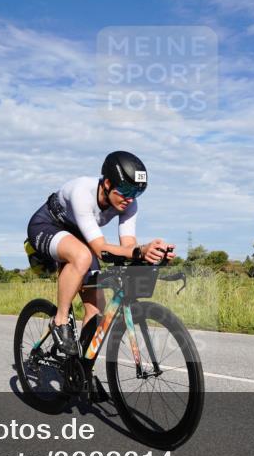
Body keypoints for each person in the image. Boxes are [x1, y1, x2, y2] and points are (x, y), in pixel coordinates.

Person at [24, 151, 174, 355]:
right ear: (107, 183)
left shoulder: (128, 203)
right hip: (47, 225)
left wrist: (151, 254)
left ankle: (80, 371)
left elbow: (129, 246)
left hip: (80, 235)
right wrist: (139, 252)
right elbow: (101, 250)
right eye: (125, 190)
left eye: (136, 193)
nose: (130, 199)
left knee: (97, 312)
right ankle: (60, 321)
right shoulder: (82, 192)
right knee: (82, 256)